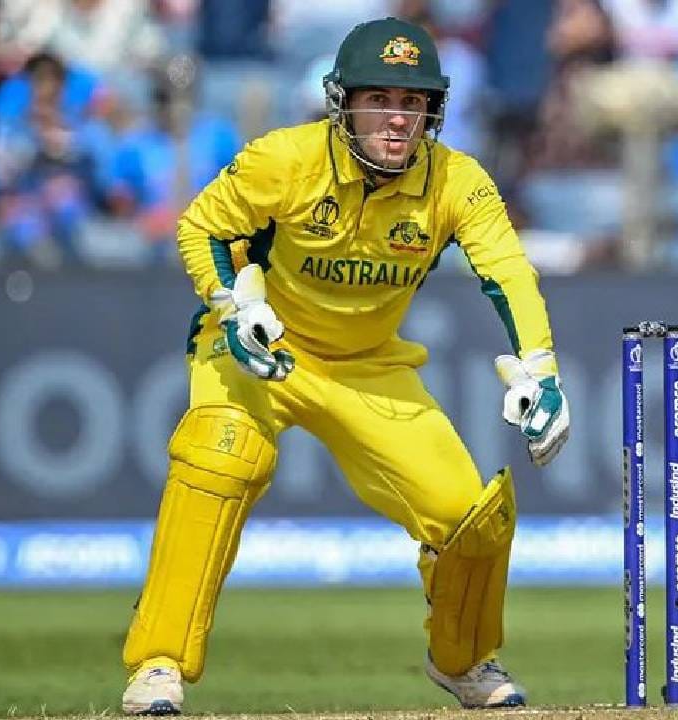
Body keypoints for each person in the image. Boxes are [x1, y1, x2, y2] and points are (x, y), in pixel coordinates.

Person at [119, 17, 570, 714]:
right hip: (262, 344)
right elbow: (202, 226)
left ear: (432, 111)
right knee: (220, 456)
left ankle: (462, 660)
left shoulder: (457, 180)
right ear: (344, 103)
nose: (397, 118)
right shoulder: (285, 159)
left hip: (369, 363)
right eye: (379, 99)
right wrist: (233, 306)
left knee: (465, 515)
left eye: (412, 102)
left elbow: (507, 270)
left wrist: (540, 366)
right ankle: (158, 664)